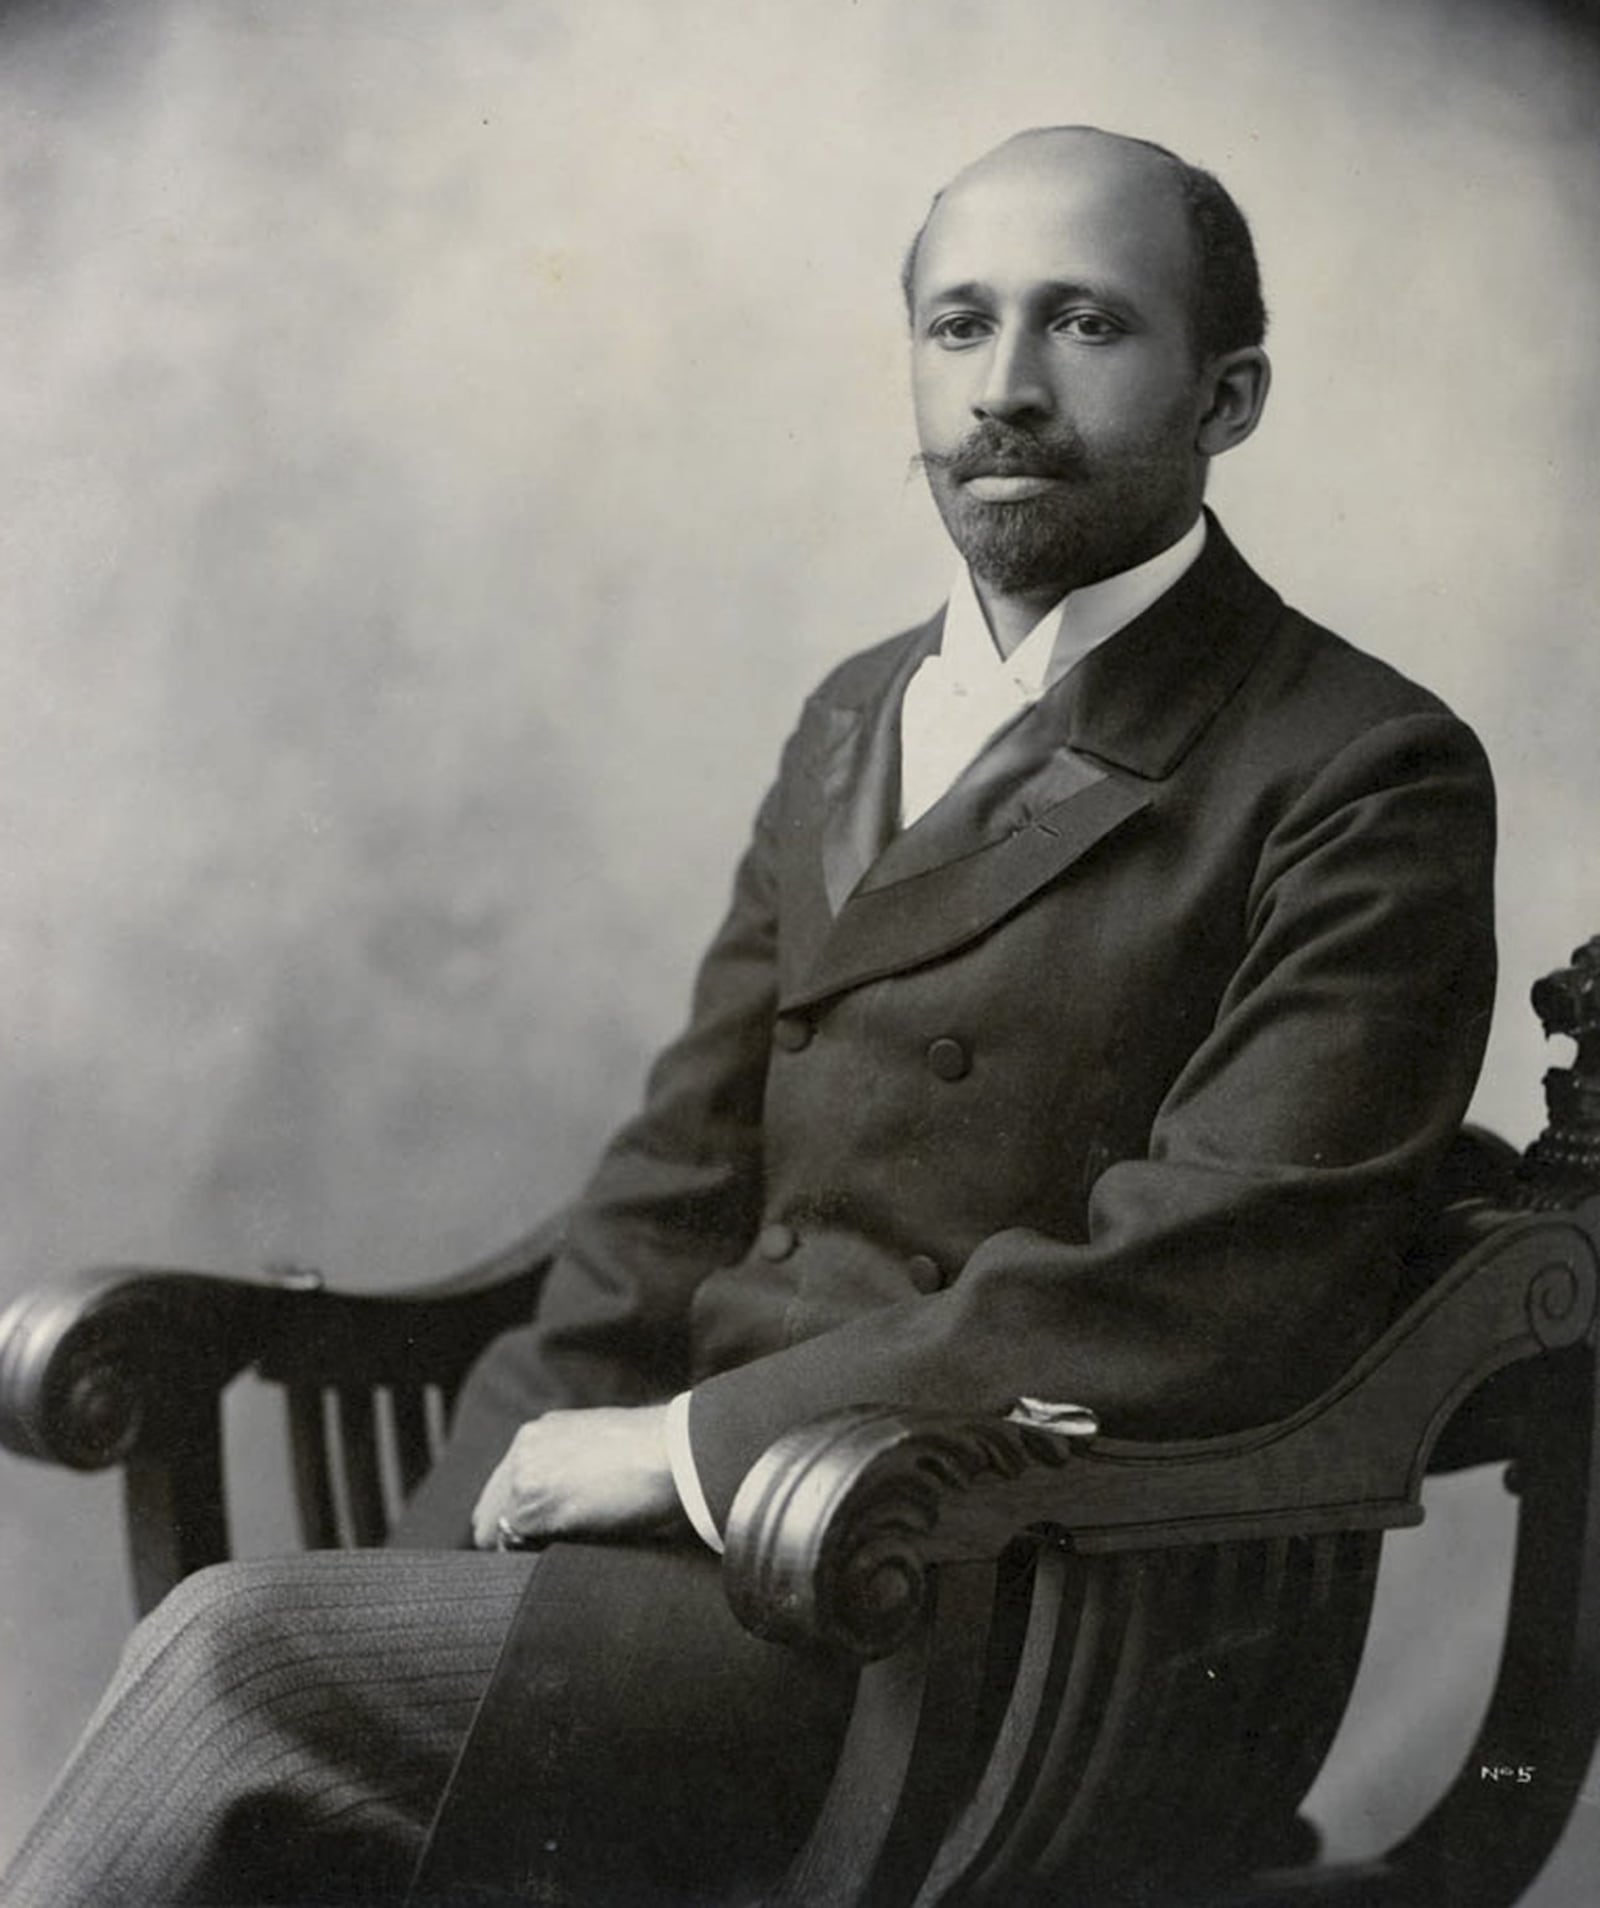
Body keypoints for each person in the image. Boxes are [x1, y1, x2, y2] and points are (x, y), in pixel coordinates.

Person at [0, 124, 1496, 1906]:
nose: (1004, 388)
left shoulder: (1356, 764)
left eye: (1086, 326)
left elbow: (1224, 1284)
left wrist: (676, 1452)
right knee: (271, 1674)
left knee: (235, 1667)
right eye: (958, 327)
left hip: (1017, 1619)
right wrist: (443, 1552)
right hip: (727, 1580)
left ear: (1228, 396)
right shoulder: (860, 715)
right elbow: (665, 1199)